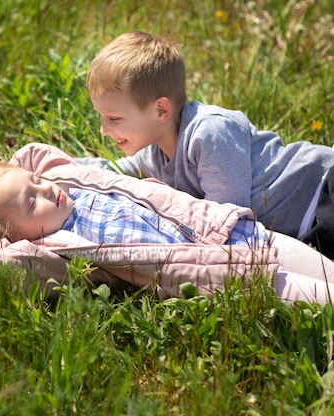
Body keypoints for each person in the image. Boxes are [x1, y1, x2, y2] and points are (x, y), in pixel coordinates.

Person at [0, 142, 334, 305]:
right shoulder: (57, 250)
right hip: (216, 271)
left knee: (325, 271)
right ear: (17, 235)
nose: (46, 190)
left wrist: (7, 180)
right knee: (320, 298)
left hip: (229, 228)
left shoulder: (76, 182)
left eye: (36, 183)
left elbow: (35, 156)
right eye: (30, 201)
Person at [77, 31, 334, 258]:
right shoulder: (153, 153)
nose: (103, 130)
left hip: (322, 190)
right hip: (308, 226)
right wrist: (46, 164)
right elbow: (107, 170)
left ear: (160, 110)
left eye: (114, 118)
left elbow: (224, 220)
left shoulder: (209, 133)